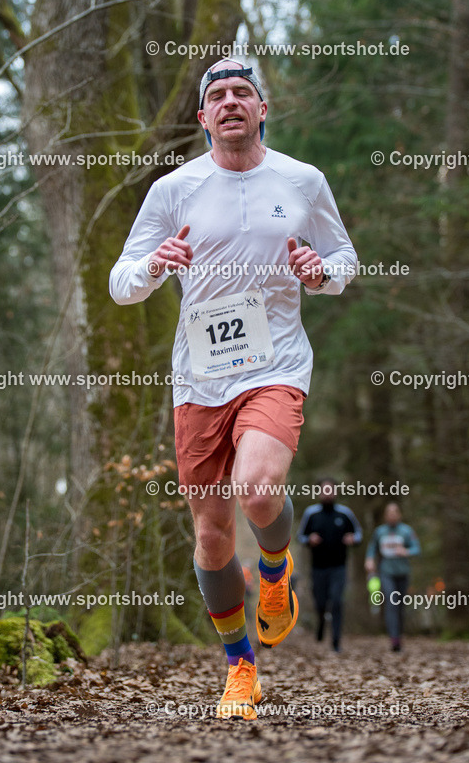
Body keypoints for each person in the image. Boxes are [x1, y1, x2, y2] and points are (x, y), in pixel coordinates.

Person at [109, 59, 357, 719]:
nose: (229, 102)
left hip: (274, 362)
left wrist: (318, 271)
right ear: (202, 118)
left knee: (257, 488)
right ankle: (239, 667)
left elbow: (344, 260)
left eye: (241, 92)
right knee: (212, 535)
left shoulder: (303, 180)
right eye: (216, 95)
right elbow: (120, 280)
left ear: (262, 107)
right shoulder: (174, 189)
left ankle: (274, 570)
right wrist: (156, 266)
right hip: (198, 375)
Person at [297, 480, 362, 651]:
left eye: (330, 490)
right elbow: (300, 536)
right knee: (320, 603)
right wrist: (309, 539)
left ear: (335, 492)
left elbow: (358, 534)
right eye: (324, 490)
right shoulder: (311, 514)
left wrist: (353, 539)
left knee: (337, 601)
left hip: (339, 567)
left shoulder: (345, 514)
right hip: (318, 567)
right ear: (319, 492)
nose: (327, 493)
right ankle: (320, 624)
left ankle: (336, 641)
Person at [365, 502, 420, 651]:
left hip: (403, 573)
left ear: (399, 514)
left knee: (401, 606)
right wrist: (369, 559)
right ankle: (394, 638)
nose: (392, 515)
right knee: (391, 602)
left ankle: (399, 635)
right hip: (386, 572)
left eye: (395, 512)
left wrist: (406, 551)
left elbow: (416, 548)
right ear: (385, 516)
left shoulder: (406, 531)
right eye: (389, 513)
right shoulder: (380, 532)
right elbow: (372, 547)